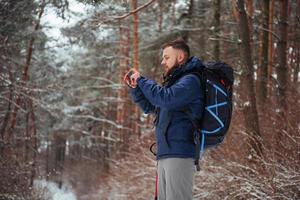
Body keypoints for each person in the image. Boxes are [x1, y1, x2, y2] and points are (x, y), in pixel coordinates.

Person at [123, 38, 204, 200]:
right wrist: (135, 89)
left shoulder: (191, 81)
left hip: (180, 153)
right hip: (165, 153)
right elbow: (152, 107)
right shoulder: (174, 85)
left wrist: (141, 80)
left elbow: (165, 99)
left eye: (167, 57)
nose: (162, 62)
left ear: (180, 57)